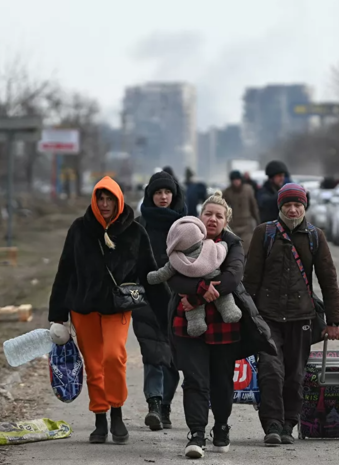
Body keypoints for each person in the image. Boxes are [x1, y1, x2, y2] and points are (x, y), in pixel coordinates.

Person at [48, 176, 171, 444]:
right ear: (94, 200)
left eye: (109, 199)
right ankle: (100, 418)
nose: (104, 204)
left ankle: (117, 411)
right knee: (94, 365)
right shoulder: (80, 229)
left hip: (117, 308)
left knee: (114, 357)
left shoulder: (135, 231)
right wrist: (58, 316)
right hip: (83, 308)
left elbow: (149, 273)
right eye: (100, 198)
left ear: (118, 200)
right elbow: (65, 270)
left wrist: (167, 314)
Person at [165, 191, 276, 459]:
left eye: (219, 216)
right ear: (200, 217)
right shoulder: (185, 237)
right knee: (194, 380)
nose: (212, 219)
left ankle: (222, 426)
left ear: (226, 221)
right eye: (208, 214)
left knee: (222, 381)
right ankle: (196, 433)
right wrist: (201, 288)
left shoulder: (233, 244)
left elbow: (232, 277)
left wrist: (198, 294)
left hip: (225, 326)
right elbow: (172, 276)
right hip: (188, 326)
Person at [244, 183, 339, 446]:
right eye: (287, 204)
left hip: (302, 318)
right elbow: (250, 280)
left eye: (297, 204)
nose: (292, 209)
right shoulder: (264, 233)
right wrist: (244, 317)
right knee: (270, 370)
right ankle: (273, 424)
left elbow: (328, 279)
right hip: (267, 317)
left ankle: (289, 424)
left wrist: (334, 321)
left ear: (304, 206)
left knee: (295, 375)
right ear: (280, 207)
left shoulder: (315, 236)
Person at [137, 171, 185, 430]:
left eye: (167, 192)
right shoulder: (138, 225)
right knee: (153, 354)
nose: (163, 197)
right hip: (145, 300)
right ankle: (154, 405)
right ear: (150, 195)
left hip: (179, 300)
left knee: (173, 359)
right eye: (158, 193)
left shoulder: (187, 225)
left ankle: (164, 406)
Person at [222, 170, 260, 249]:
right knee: (235, 247)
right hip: (233, 225)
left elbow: (253, 206)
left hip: (246, 225)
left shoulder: (248, 190)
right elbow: (223, 207)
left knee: (246, 247)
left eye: (238, 179)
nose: (236, 182)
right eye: (234, 180)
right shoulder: (227, 192)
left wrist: (257, 221)